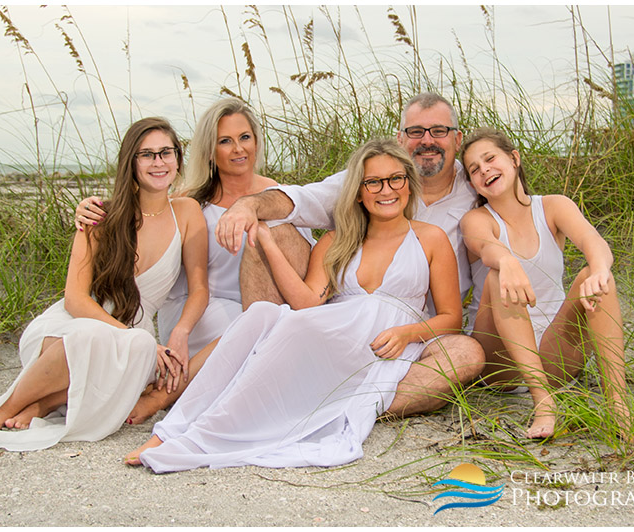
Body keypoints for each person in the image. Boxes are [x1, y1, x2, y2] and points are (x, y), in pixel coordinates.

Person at [124, 138, 462, 472]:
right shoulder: (337, 240)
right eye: (373, 182)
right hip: (335, 333)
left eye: (395, 179)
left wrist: (408, 334)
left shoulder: (430, 238)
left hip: (384, 344)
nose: (386, 190)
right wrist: (268, 243)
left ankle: (201, 437)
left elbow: (452, 317)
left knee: (277, 334)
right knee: (260, 315)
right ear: (359, 192)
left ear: (408, 183)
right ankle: (172, 431)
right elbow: (306, 303)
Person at [0, 117, 209, 452]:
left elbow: (199, 287)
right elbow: (74, 299)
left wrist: (180, 332)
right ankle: (5, 409)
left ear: (177, 158)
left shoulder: (187, 212)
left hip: (135, 338)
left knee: (139, 349)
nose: (158, 162)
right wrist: (125, 333)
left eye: (165, 153)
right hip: (73, 325)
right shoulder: (99, 216)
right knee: (94, 338)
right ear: (130, 163)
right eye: (146, 155)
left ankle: (42, 404)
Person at [215, 93, 485, 416]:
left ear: (457, 138)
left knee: (466, 354)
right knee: (272, 234)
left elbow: (515, 221)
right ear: (401, 139)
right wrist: (250, 205)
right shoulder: (359, 189)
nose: (427, 141)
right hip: (339, 327)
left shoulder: (477, 188)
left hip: (408, 341)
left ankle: (353, 404)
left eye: (438, 131)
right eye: (416, 132)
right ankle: (264, 373)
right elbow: (304, 201)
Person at [74, 98, 314, 424]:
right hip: (201, 311)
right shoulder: (191, 201)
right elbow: (140, 210)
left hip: (262, 305)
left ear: (257, 141)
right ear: (209, 150)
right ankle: (167, 394)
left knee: (269, 328)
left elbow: (304, 258)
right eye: (224, 141)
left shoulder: (280, 196)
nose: (238, 149)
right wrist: (89, 207)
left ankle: (193, 389)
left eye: (244, 137)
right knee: (253, 336)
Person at [458, 127, 631, 440]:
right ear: (473, 184)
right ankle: (543, 403)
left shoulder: (553, 207)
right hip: (501, 364)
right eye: (474, 169)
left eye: (490, 159)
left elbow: (593, 241)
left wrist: (600, 269)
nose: (484, 170)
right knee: (498, 276)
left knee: (592, 278)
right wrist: (508, 261)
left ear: (514, 159)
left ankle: (619, 411)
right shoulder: (476, 219)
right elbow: (486, 248)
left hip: (554, 354)